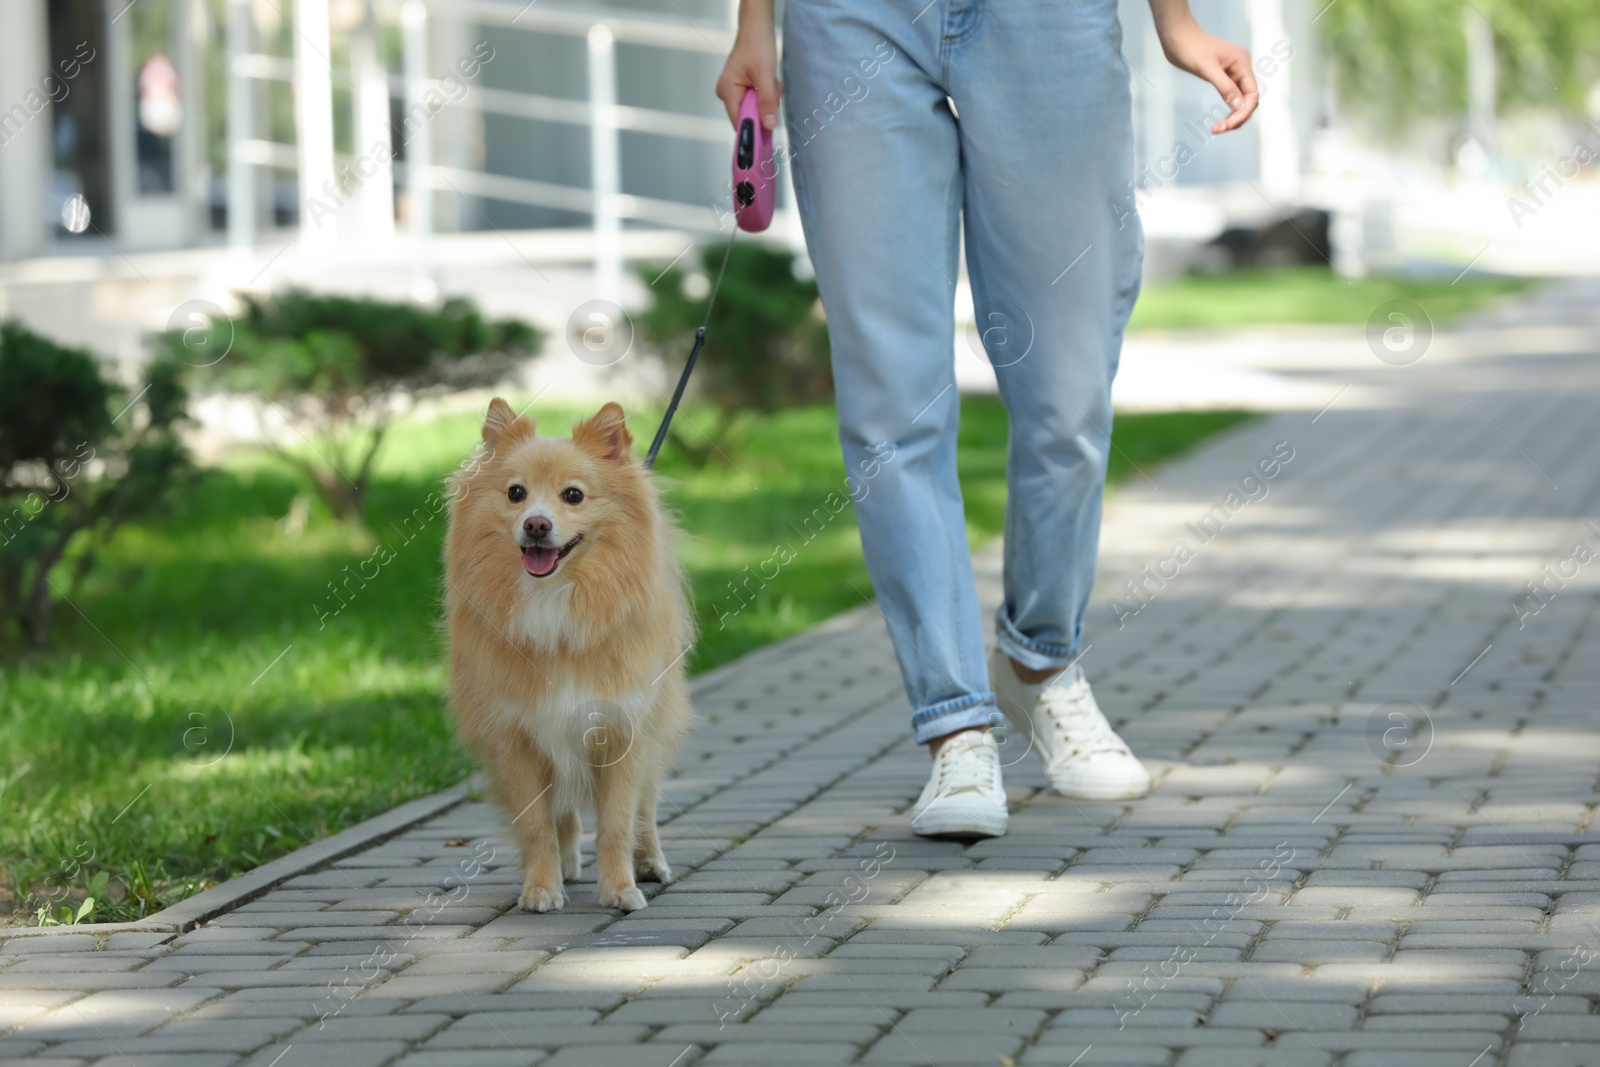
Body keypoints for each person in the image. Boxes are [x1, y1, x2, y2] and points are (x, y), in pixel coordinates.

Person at [716, 0, 1258, 837]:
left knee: (1068, 390)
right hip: (853, 20)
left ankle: (1039, 663)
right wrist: (755, 23)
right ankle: (955, 726)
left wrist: (1176, 20)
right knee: (890, 402)